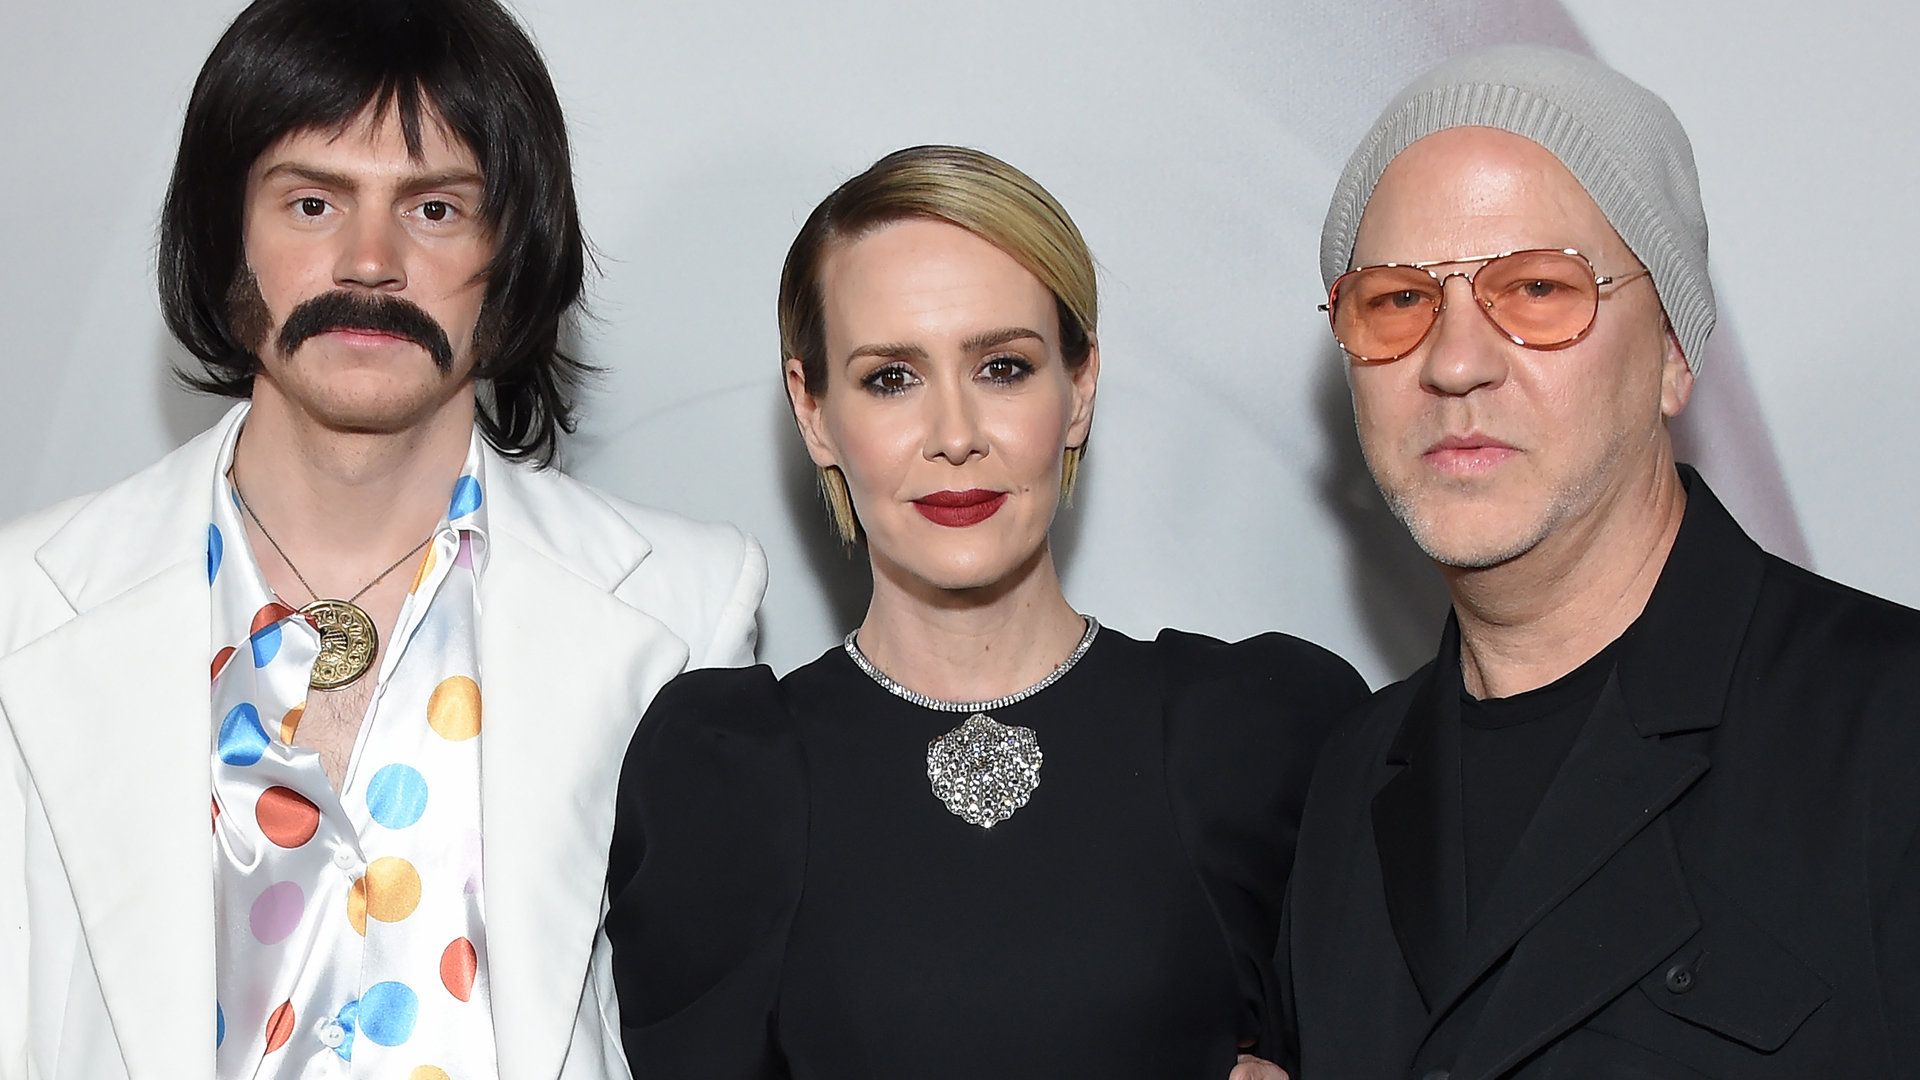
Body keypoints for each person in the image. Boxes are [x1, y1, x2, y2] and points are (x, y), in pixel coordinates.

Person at [0, 2, 766, 1077]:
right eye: (313, 202)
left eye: (437, 209)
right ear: (230, 237)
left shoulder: (685, 610)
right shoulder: (24, 611)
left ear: (514, 250)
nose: (370, 261)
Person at [603, 145, 1368, 1079]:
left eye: (1003, 367)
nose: (956, 436)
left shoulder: (1265, 732)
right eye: (893, 377)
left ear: (1079, 390)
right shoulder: (715, 775)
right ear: (815, 413)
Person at [1272, 45, 1920, 1079]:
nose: (1454, 361)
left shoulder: (1888, 725)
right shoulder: (1347, 783)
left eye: (1535, 289)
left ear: (1673, 353)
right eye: (1395, 301)